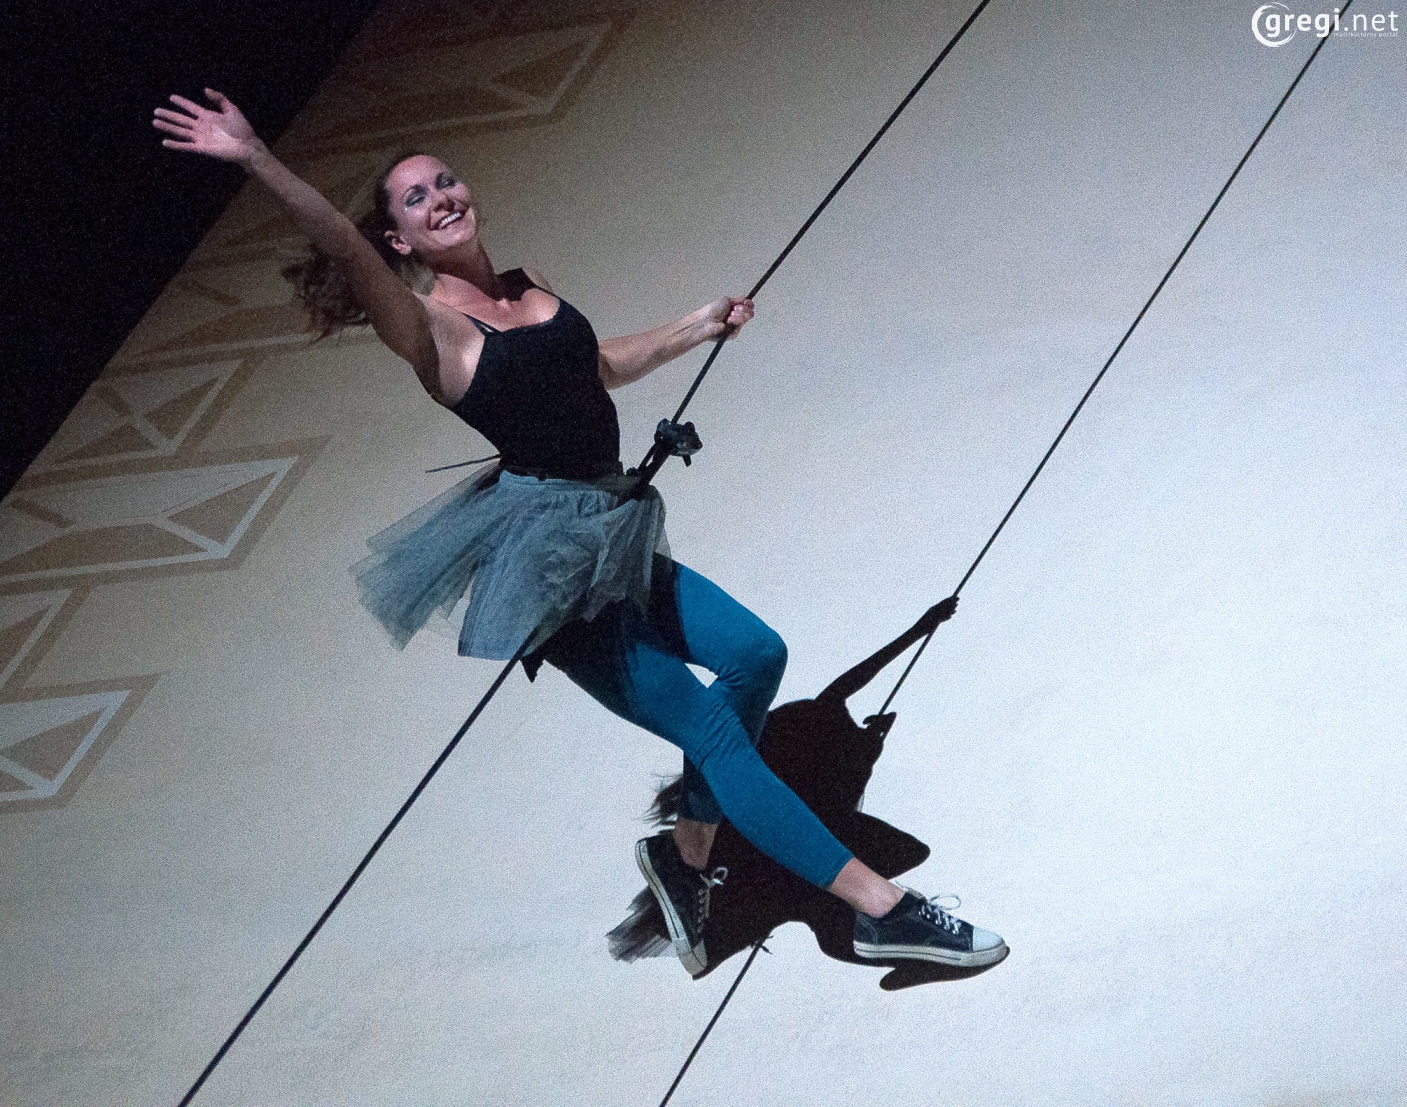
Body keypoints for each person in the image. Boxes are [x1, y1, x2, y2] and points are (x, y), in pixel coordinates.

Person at [153, 88, 1005, 974]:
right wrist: (255, 158)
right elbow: (338, 236)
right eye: (415, 198)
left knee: (757, 654)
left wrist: (697, 324)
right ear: (398, 240)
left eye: (446, 181)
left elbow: (595, 365)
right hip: (550, 568)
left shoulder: (528, 289)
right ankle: (879, 911)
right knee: (714, 735)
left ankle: (686, 858)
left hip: (613, 526)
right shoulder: (428, 329)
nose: (440, 197)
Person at [610, 596, 1009, 976]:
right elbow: (853, 680)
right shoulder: (815, 732)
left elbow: (847, 691)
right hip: (756, 827)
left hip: (765, 823)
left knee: (761, 659)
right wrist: (920, 628)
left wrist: (921, 629)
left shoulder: (828, 756)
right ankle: (874, 907)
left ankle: (694, 862)